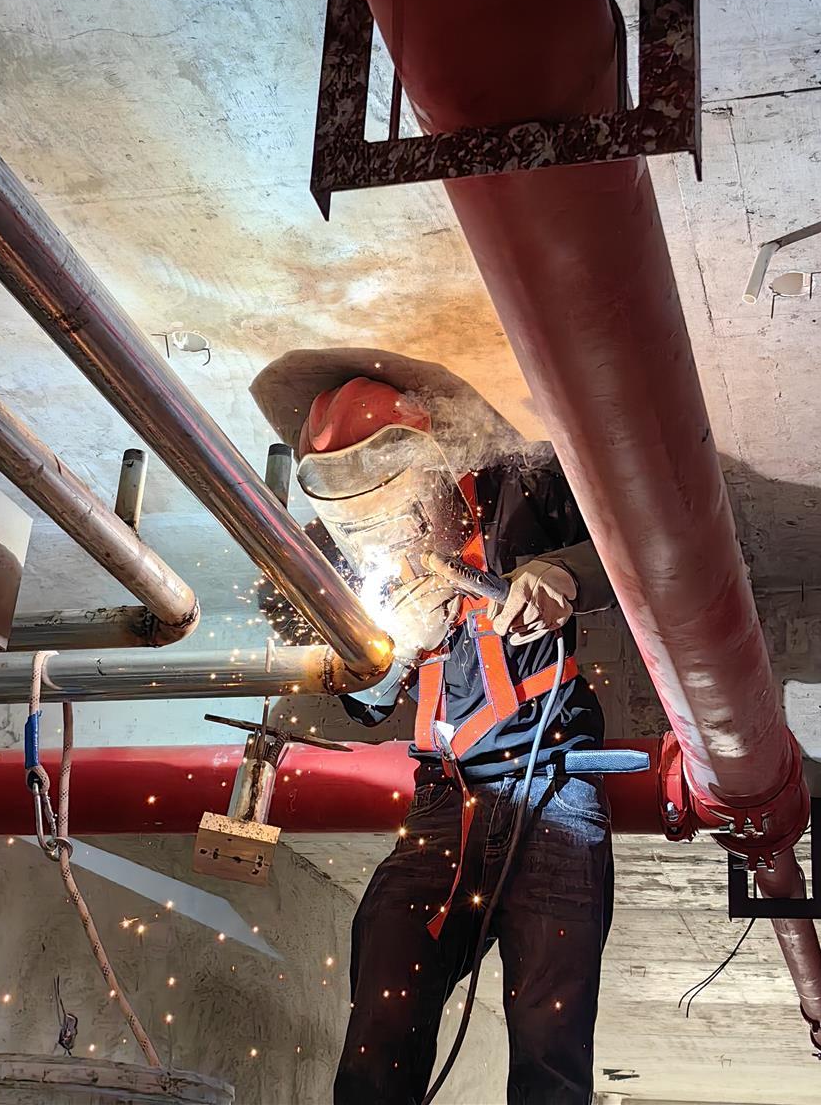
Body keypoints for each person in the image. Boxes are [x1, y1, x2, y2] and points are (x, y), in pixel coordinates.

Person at [251, 351, 616, 1105]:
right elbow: (363, 702)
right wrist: (393, 652)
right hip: (442, 802)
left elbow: (635, 551)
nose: (396, 537)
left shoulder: (522, 487)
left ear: (432, 469)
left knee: (549, 1044)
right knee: (381, 1022)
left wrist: (564, 575)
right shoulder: (348, 560)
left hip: (554, 783)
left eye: (406, 512)